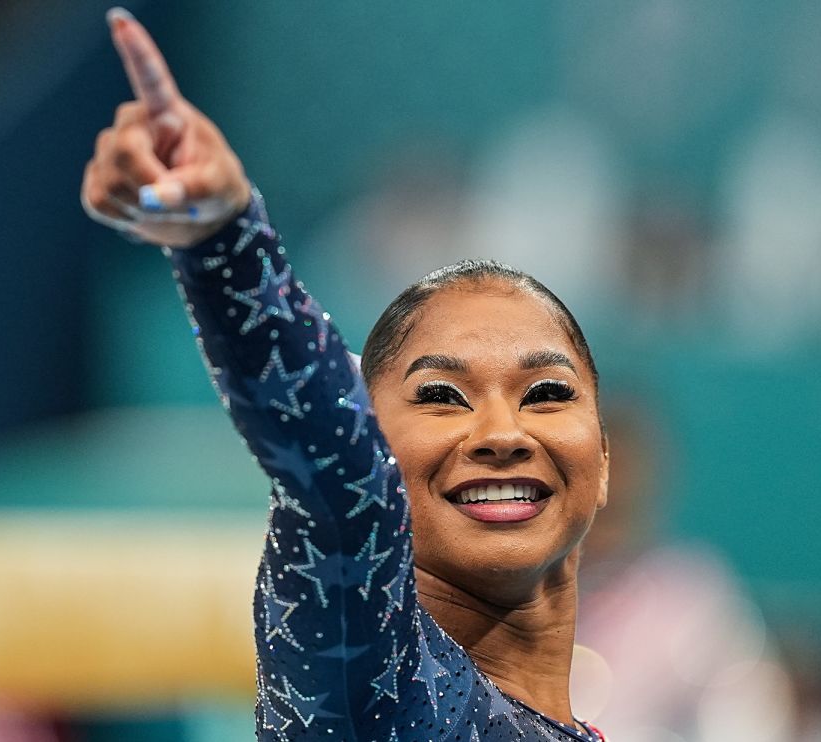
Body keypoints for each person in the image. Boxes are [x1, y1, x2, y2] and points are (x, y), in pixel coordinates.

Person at [81, 9, 609, 741]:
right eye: (441, 396)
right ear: (375, 442)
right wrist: (224, 242)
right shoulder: (377, 694)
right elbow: (342, 487)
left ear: (604, 459)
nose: (501, 432)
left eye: (546, 392)